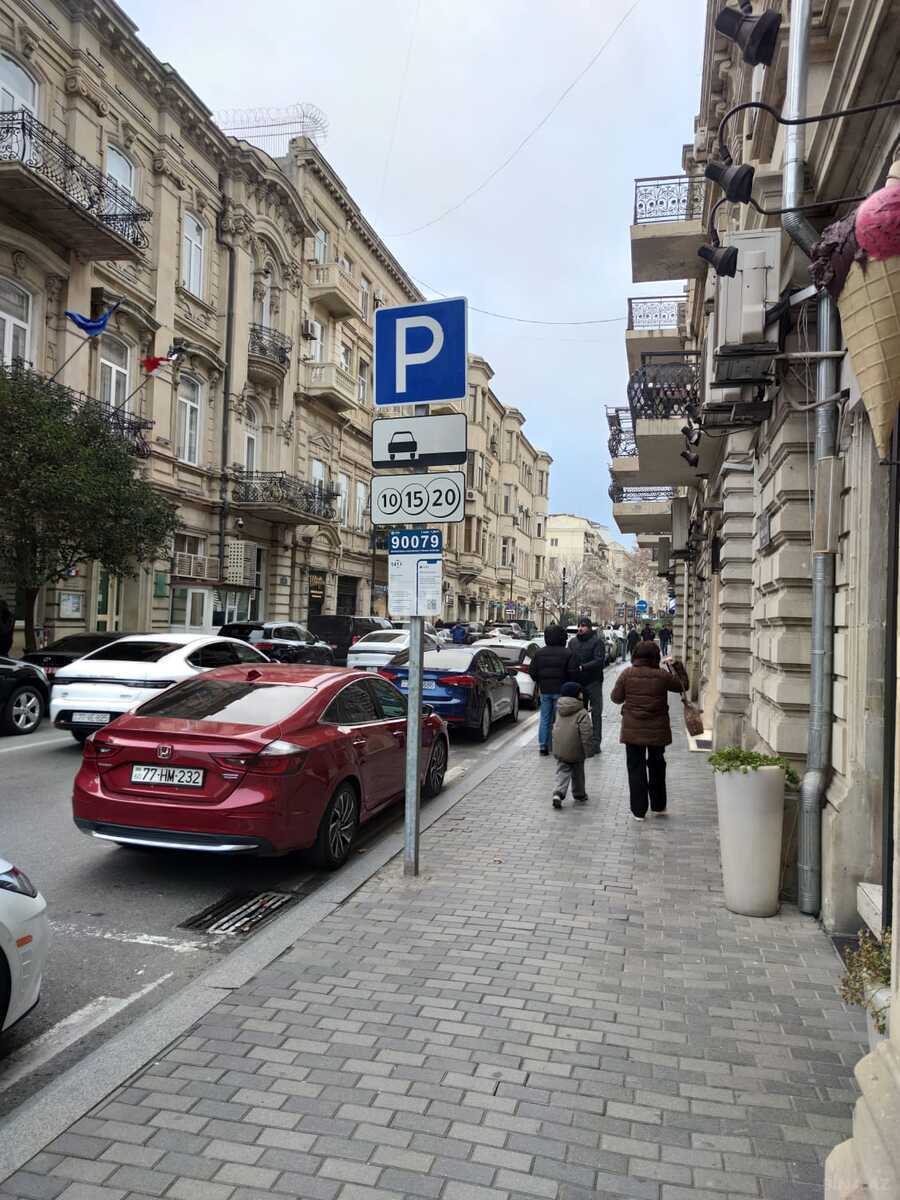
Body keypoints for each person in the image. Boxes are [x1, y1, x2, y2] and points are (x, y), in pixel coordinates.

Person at [610, 639, 683, 821]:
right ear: (656, 656)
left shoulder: (627, 674)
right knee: (657, 766)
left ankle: (639, 811)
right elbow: (683, 686)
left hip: (633, 729)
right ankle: (658, 805)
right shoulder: (662, 676)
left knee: (636, 768)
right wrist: (676, 666)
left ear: (635, 655)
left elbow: (616, 698)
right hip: (657, 730)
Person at [529, 624, 577, 755]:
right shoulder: (567, 653)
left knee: (544, 718)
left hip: (545, 690)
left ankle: (543, 746)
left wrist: (540, 681)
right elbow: (573, 673)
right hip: (561, 690)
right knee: (560, 719)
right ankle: (558, 745)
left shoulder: (539, 653)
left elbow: (532, 671)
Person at [551, 681, 595, 809]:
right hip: (576, 749)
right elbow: (586, 733)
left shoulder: (559, 709)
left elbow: (555, 727)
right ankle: (579, 794)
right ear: (577, 695)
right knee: (578, 773)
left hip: (560, 748)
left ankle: (558, 793)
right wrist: (589, 751)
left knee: (562, 770)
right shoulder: (582, 712)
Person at [567, 617, 605, 753]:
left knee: (596, 713)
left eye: (583, 626)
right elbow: (569, 658)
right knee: (579, 714)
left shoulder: (597, 642)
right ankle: (581, 741)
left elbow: (599, 661)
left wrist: (583, 667)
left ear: (589, 628)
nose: (580, 628)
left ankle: (596, 743)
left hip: (594, 681)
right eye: (579, 626)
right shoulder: (573, 642)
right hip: (578, 683)